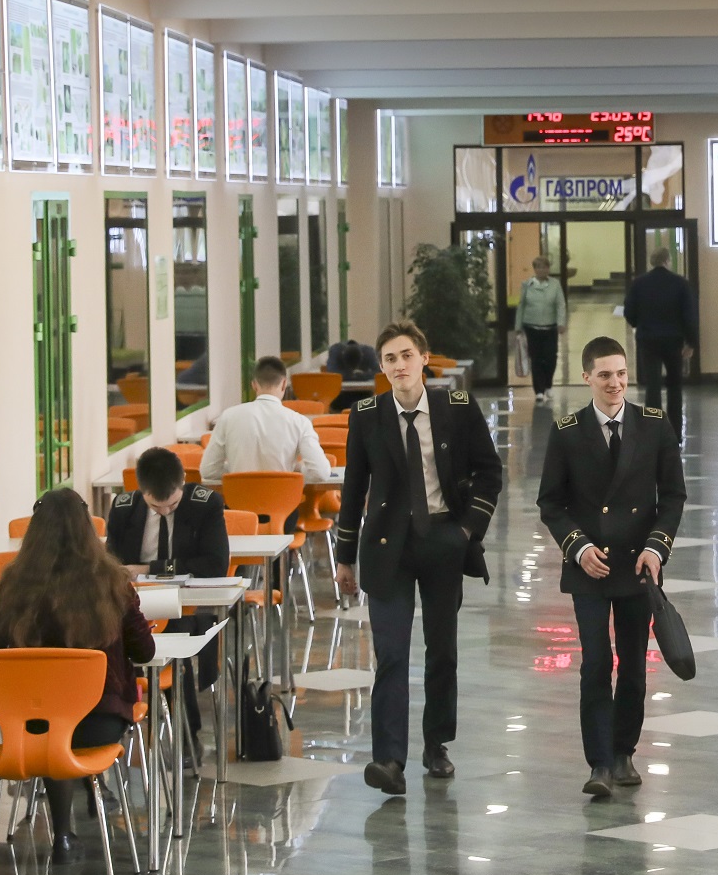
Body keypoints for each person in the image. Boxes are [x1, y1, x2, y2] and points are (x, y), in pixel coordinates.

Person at [334, 321, 504, 795]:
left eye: (406, 355)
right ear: (381, 366)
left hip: (443, 540)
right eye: (389, 358)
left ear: (424, 358)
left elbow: (490, 472)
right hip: (386, 545)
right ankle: (389, 759)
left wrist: (466, 531)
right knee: (391, 653)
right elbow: (353, 488)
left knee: (442, 650)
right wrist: (344, 557)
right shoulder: (366, 415)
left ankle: (436, 744)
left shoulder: (457, 407)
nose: (399, 365)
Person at [536, 336, 687, 799]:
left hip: (637, 564)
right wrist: (578, 547)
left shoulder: (654, 425)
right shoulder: (567, 431)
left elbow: (673, 496)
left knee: (635, 665)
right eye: (604, 375)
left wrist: (656, 549)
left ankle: (623, 752)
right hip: (589, 566)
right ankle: (599, 762)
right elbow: (550, 502)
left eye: (621, 374)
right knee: (597, 661)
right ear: (587, 378)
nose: (615, 383)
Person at [0, 489, 154, 866]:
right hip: (98, 724)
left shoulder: (12, 585)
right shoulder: (112, 582)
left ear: (33, 533)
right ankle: (69, 830)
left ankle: (63, 835)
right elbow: (145, 652)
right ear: (88, 529)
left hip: (27, 727)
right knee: (66, 728)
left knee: (53, 727)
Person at [104, 447, 229, 741]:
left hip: (185, 604)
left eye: (172, 504)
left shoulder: (206, 504)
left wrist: (150, 568)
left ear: (182, 482)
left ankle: (185, 733)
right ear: (141, 491)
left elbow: (215, 564)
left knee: (174, 639)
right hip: (135, 604)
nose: (165, 512)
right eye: (155, 507)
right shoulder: (123, 508)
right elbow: (112, 564)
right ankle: (115, 723)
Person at [200, 355, 332, 493]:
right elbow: (320, 473)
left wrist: (235, 472)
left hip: (239, 502)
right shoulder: (300, 422)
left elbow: (208, 470)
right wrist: (296, 471)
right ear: (284, 384)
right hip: (283, 502)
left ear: (254, 385)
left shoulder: (228, 417)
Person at [623, 247, 696, 436]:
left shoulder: (639, 283)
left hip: (648, 339)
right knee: (674, 386)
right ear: (667, 261)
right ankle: (675, 432)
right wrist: (690, 342)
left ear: (652, 262)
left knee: (653, 386)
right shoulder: (680, 283)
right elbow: (689, 315)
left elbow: (629, 311)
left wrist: (638, 324)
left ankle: (653, 431)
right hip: (674, 339)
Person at [516, 255, 568, 403]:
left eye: (544, 267)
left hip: (550, 327)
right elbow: (521, 305)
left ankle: (548, 384)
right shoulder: (527, 285)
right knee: (536, 358)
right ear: (535, 269)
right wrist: (518, 326)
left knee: (551, 357)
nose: (541, 270)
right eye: (538, 267)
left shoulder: (555, 285)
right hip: (531, 326)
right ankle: (539, 390)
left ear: (548, 269)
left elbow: (560, 304)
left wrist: (561, 322)